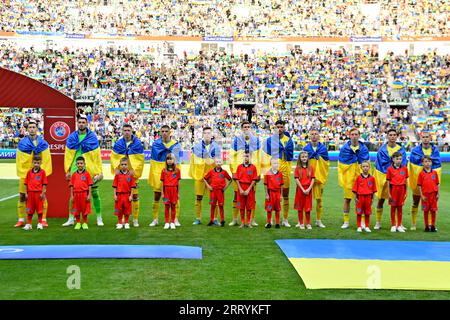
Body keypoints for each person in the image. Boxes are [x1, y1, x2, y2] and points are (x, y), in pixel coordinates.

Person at [62, 115, 103, 227]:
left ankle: (99, 217)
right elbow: (68, 155)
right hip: (75, 168)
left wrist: (99, 171)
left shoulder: (92, 137)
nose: (81, 124)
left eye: (83, 122)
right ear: (77, 123)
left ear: (86, 124)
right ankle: (71, 218)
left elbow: (97, 156)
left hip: (89, 168)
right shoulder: (72, 137)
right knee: (73, 195)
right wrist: (68, 170)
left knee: (94, 193)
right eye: (79, 122)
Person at [15, 119, 52, 228]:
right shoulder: (22, 143)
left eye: (33, 127)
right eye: (30, 127)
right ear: (27, 130)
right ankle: (21, 219)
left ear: (37, 129)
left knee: (42, 196)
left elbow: (46, 159)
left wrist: (42, 173)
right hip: (26, 174)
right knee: (22, 196)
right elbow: (19, 160)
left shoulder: (43, 143)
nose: (32, 129)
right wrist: (24, 173)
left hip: (38, 175)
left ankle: (43, 220)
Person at [262, 120, 294, 227]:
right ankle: (270, 219)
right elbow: (265, 156)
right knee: (270, 196)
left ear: (284, 128)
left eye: (281, 127)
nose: (279, 129)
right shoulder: (269, 141)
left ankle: (285, 219)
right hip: (273, 172)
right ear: (274, 128)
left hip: (285, 170)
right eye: (278, 127)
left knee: (285, 195)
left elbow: (290, 156)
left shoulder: (289, 140)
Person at [111, 124, 144, 227]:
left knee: (134, 196)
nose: (126, 132)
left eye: (128, 130)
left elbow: (140, 160)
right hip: (122, 176)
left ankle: (135, 219)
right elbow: (114, 158)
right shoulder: (118, 144)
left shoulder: (137, 143)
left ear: (131, 131)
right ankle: (122, 220)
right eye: (125, 130)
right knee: (121, 198)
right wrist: (117, 169)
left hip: (132, 175)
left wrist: (134, 171)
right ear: (122, 131)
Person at [228, 121, 261, 226]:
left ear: (251, 128)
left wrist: (259, 172)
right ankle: (235, 219)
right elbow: (231, 156)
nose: (246, 128)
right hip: (239, 171)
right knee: (236, 195)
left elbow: (259, 157)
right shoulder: (236, 141)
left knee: (252, 196)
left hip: (252, 172)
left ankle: (252, 219)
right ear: (241, 128)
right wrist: (233, 171)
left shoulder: (256, 141)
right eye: (244, 127)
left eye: (248, 127)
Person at [148, 125, 182, 227]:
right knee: (157, 196)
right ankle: (155, 219)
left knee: (175, 197)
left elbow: (177, 160)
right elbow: (153, 161)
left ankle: (175, 219)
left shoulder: (176, 145)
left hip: (172, 173)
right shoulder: (155, 144)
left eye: (166, 131)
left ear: (170, 132)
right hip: (159, 172)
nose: (164, 133)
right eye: (162, 131)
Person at [373, 128, 407, 230]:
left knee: (399, 203)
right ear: (387, 136)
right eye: (390, 135)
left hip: (397, 180)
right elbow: (378, 165)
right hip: (384, 177)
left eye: (394, 135)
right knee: (381, 200)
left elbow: (403, 166)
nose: (392, 137)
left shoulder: (401, 150)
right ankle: (378, 222)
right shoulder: (382, 150)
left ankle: (398, 223)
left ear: (397, 136)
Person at [408, 131, 441, 230]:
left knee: (431, 206)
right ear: (421, 138)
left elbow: (438, 165)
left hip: (430, 185)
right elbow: (412, 166)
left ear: (430, 138)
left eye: (427, 137)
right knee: (415, 202)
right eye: (423, 137)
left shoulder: (435, 151)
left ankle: (430, 225)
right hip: (418, 182)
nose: (425, 139)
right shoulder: (415, 151)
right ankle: (413, 224)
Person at [189, 126, 222, 225]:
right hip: (200, 176)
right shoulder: (197, 147)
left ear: (211, 135)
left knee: (214, 198)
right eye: (205, 133)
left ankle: (215, 218)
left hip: (212, 178)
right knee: (198, 197)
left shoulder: (216, 147)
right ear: (203, 135)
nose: (207, 135)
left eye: (209, 133)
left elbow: (219, 162)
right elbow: (194, 162)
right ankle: (198, 218)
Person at [338, 128, 370, 229]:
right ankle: (346, 221)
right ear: (349, 136)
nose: (354, 136)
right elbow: (342, 164)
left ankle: (362, 222)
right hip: (349, 178)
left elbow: (367, 164)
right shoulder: (345, 149)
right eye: (352, 134)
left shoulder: (364, 149)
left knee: (361, 200)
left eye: (356, 134)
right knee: (347, 199)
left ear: (359, 135)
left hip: (361, 178)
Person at [303, 128, 329, 228]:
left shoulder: (323, 149)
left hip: (318, 178)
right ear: (310, 136)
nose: (314, 136)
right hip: (308, 178)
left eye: (316, 134)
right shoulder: (306, 149)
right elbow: (302, 163)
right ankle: (304, 221)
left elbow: (326, 163)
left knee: (318, 199)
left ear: (318, 136)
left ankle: (318, 220)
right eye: (312, 134)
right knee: (305, 199)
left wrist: (321, 174)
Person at [204, 158, 232, 227]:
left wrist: (225, 187)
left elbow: (230, 179)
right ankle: (211, 220)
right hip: (213, 191)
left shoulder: (224, 172)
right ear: (215, 163)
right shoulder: (211, 171)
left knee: (221, 205)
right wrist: (208, 186)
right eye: (217, 162)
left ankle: (222, 220)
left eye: (220, 162)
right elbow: (204, 178)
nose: (218, 163)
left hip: (220, 191)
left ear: (222, 163)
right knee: (212, 205)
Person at [234, 151, 259, 228]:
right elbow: (236, 179)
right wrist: (240, 189)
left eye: (247, 156)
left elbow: (254, 179)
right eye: (244, 156)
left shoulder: (253, 167)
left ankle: (248, 222)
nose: (246, 158)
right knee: (241, 206)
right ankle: (242, 222)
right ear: (242, 157)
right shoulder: (239, 167)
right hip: (241, 188)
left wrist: (248, 189)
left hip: (249, 188)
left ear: (250, 157)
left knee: (249, 206)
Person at [22, 155, 48, 231]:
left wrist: (43, 193)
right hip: (30, 193)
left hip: (38, 193)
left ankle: (40, 223)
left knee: (40, 209)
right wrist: (26, 193)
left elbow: (44, 184)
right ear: (32, 162)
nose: (36, 164)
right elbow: (26, 183)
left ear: (40, 163)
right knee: (29, 209)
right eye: (35, 162)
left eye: (38, 163)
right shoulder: (29, 172)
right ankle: (29, 224)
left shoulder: (43, 172)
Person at [386, 152, 409, 232]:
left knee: (400, 208)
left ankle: (399, 225)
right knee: (393, 208)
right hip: (393, 190)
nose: (399, 161)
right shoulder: (389, 169)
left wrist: (406, 191)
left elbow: (406, 181)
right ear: (393, 159)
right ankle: (393, 225)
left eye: (400, 159)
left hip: (402, 190)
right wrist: (389, 193)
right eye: (397, 159)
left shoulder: (405, 168)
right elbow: (388, 182)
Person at [352, 161, 377, 233]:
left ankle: (367, 226)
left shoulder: (372, 178)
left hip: (368, 197)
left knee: (367, 213)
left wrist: (372, 199)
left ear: (369, 167)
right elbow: (355, 189)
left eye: (367, 166)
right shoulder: (358, 178)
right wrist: (355, 198)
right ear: (361, 167)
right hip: (360, 197)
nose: (365, 168)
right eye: (363, 166)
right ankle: (359, 226)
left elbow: (373, 190)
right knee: (359, 212)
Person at [69, 156, 93, 230]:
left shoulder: (87, 174)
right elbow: (71, 186)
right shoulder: (74, 174)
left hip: (84, 194)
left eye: (81, 163)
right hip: (76, 194)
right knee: (76, 209)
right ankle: (78, 223)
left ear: (84, 164)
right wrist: (72, 195)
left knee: (84, 209)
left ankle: (85, 223)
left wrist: (89, 194)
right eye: (78, 163)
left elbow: (90, 185)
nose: (80, 165)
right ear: (76, 164)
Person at [113, 157, 137, 230]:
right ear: (120, 165)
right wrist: (114, 195)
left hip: (127, 195)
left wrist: (131, 195)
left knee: (127, 210)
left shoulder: (130, 175)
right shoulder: (117, 175)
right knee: (119, 209)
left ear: (128, 166)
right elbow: (115, 186)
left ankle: (126, 222)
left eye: (125, 164)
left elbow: (132, 186)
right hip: (119, 195)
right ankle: (120, 222)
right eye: (122, 164)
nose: (124, 166)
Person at [417, 155, 440, 232]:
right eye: (426, 161)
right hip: (425, 195)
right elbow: (419, 186)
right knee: (426, 211)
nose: (427, 163)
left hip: (433, 195)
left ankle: (433, 225)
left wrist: (438, 193)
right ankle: (426, 226)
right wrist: (421, 195)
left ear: (431, 163)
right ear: (422, 163)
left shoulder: (434, 173)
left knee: (433, 211)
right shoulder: (421, 174)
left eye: (429, 161)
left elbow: (437, 184)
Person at [294, 151, 315, 230]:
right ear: (300, 158)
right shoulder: (297, 168)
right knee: (300, 207)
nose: (304, 158)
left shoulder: (311, 168)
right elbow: (296, 179)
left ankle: (308, 223)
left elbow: (313, 179)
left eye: (305, 157)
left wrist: (309, 189)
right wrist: (302, 189)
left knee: (307, 207)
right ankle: (301, 223)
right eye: (302, 157)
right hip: (300, 190)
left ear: (307, 158)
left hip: (308, 190)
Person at [160, 153, 181, 230]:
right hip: (166, 191)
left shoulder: (177, 171)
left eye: (171, 159)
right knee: (166, 206)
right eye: (168, 159)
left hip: (174, 191)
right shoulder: (163, 171)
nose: (169, 161)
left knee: (173, 206)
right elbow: (162, 183)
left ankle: (172, 222)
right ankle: (166, 222)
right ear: (166, 161)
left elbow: (178, 183)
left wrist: (178, 193)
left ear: (174, 160)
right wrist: (162, 193)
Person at [264, 158, 284, 229]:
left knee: (277, 209)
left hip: (277, 193)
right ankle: (269, 222)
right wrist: (266, 194)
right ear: (271, 164)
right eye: (274, 163)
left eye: (277, 163)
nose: (276, 165)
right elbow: (265, 184)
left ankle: (277, 223)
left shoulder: (280, 174)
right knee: (269, 209)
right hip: (270, 193)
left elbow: (281, 185)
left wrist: (281, 195)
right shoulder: (267, 173)